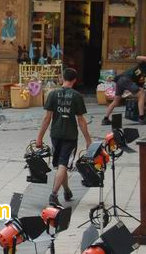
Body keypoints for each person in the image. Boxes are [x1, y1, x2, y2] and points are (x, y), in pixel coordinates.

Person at [36, 68, 93, 206]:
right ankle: (54, 194)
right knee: (63, 165)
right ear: (75, 80)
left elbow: (47, 118)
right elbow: (81, 120)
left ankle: (67, 191)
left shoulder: (53, 94)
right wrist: (88, 140)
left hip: (55, 134)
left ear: (62, 78)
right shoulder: (77, 96)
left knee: (62, 165)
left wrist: (39, 137)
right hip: (70, 135)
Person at [102, 55, 146, 125]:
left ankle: (105, 119)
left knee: (116, 101)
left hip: (121, 81)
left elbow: (139, 86)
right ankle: (141, 118)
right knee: (142, 94)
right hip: (126, 79)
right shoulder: (143, 64)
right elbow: (137, 57)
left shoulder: (143, 75)